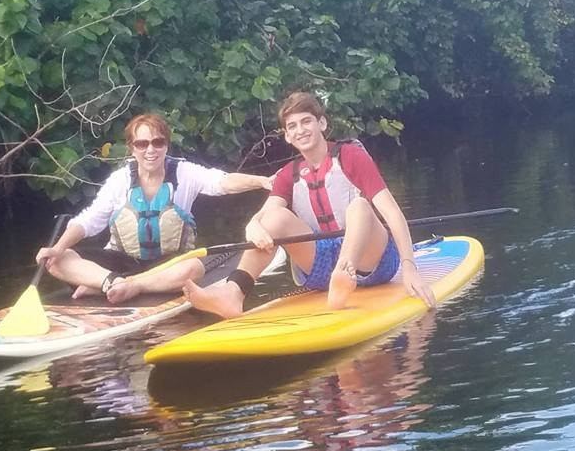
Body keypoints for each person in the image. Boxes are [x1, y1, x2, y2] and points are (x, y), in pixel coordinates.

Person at [184, 91, 436, 316]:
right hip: (320, 267)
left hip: (372, 262)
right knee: (273, 218)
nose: (300, 130)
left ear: (321, 123)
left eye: (306, 121)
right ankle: (233, 294)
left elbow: (392, 212)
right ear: (287, 136)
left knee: (360, 207)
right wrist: (253, 225)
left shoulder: (351, 156)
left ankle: (344, 274)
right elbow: (265, 217)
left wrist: (409, 268)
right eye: (292, 126)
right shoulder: (287, 175)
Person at [36, 113, 271, 304]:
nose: (151, 150)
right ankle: (111, 282)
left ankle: (126, 285)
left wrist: (261, 181)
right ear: (132, 148)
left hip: (167, 263)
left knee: (193, 269)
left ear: (166, 146)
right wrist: (57, 247)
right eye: (142, 144)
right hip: (121, 261)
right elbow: (89, 221)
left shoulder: (184, 172)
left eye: (158, 142)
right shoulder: (120, 180)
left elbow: (223, 182)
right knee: (57, 260)